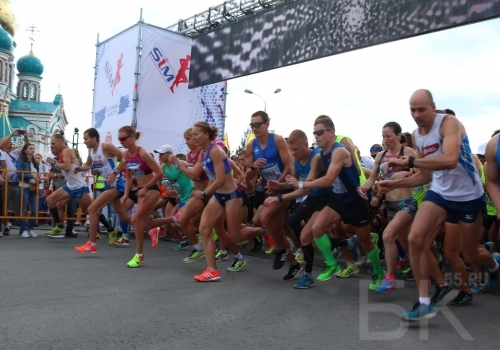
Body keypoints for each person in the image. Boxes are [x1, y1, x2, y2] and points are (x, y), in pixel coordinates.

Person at [378, 89, 500, 321]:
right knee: (416, 239)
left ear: (433, 107)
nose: (416, 114)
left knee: (470, 254)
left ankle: (493, 264)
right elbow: (425, 175)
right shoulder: (417, 134)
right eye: (412, 110)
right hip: (441, 194)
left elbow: (450, 160)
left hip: (468, 197)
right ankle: (425, 303)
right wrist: (396, 183)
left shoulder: (449, 123)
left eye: (421, 109)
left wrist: (410, 160)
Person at [292, 115, 384, 289]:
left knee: (365, 241)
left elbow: (328, 180)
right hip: (338, 200)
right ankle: (332, 263)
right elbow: (309, 184)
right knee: (317, 228)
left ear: (331, 132)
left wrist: (302, 183)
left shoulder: (339, 151)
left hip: (356, 201)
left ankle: (379, 271)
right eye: (314, 133)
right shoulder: (319, 156)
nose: (316, 136)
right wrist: (290, 186)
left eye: (319, 132)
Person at [181, 122, 246, 281]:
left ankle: (261, 231)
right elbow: (195, 174)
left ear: (206, 135)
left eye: (196, 134)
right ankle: (212, 270)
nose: (194, 137)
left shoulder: (215, 151)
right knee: (204, 228)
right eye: (193, 135)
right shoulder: (203, 153)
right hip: (217, 196)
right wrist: (178, 164)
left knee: (235, 235)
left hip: (231, 196)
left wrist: (203, 193)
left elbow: (221, 180)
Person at [357, 122, 416, 294]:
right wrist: (362, 187)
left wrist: (406, 172)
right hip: (390, 205)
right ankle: (422, 272)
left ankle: (389, 277)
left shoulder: (408, 152)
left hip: (406, 203)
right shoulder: (381, 155)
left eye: (388, 136)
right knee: (406, 243)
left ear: (398, 136)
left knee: (388, 236)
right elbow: (372, 179)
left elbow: (421, 172)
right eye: (383, 136)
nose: (385, 139)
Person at [245, 111, 299, 271]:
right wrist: (253, 166)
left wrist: (278, 183)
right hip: (270, 189)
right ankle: (295, 263)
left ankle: (283, 247)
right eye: (252, 125)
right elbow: (249, 174)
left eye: (257, 124)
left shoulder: (277, 140)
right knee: (282, 227)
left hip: (285, 187)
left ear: (267, 123)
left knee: (265, 217)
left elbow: (289, 166)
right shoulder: (251, 146)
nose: (254, 128)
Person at [74, 128, 127, 253]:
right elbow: (88, 165)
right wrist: (79, 169)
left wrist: (115, 172)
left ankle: (92, 244)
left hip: (116, 183)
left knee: (92, 209)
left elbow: (124, 157)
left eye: (86, 139)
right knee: (125, 216)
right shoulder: (91, 151)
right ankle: (151, 227)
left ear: (94, 138)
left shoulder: (106, 147)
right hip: (109, 185)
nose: (84, 141)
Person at [119, 126, 163, 268]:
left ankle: (139, 255)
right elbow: (129, 177)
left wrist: (147, 187)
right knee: (143, 224)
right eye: (119, 139)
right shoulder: (125, 154)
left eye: (123, 138)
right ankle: (174, 219)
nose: (121, 141)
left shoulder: (143, 153)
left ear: (132, 137)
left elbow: (159, 173)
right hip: (140, 191)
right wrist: (126, 194)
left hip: (152, 189)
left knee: (135, 219)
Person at [45, 134, 93, 239]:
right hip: (70, 186)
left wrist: (52, 162)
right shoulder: (61, 153)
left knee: (89, 210)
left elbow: (66, 167)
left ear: (61, 142)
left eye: (53, 144)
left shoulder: (66, 151)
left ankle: (110, 228)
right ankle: (59, 226)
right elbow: (67, 170)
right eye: (50, 144)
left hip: (79, 187)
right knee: (50, 200)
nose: (51, 146)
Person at [16, 144, 40, 238]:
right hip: (24, 186)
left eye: (33, 148)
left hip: (33, 187)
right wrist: (32, 176)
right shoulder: (22, 161)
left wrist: (38, 179)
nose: (32, 150)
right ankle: (23, 229)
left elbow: (37, 173)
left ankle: (30, 228)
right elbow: (19, 174)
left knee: (34, 209)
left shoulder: (34, 162)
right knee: (24, 209)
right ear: (25, 150)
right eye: (30, 148)